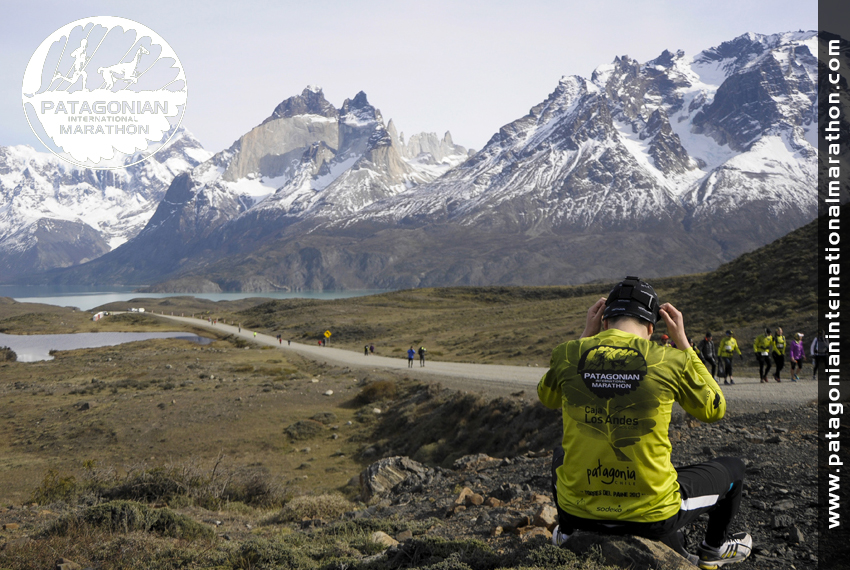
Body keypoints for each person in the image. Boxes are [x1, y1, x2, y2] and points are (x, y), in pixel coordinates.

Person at [539, 277, 751, 568]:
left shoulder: (568, 353)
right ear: (651, 328)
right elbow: (714, 409)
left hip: (578, 513)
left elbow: (548, 397)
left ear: (603, 322)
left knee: (560, 454)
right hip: (652, 517)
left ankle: (565, 533)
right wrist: (685, 345)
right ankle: (712, 551)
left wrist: (584, 338)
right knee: (734, 470)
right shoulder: (671, 359)